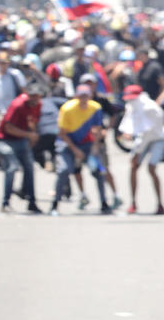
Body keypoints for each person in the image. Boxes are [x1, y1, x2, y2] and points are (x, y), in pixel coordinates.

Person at [49, 85, 111, 216]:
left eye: (86, 96)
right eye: (81, 96)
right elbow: (62, 133)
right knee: (63, 170)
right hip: (67, 144)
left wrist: (95, 146)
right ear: (76, 96)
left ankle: (104, 203)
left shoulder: (95, 108)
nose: (84, 99)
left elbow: (98, 128)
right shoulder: (67, 109)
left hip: (87, 144)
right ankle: (54, 205)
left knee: (99, 171)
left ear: (90, 96)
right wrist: (75, 150)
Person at [0, 83, 45, 213]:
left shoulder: (38, 105)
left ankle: (32, 202)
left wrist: (32, 137)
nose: (35, 99)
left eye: (37, 96)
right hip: (6, 140)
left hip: (22, 140)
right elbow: (8, 127)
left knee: (30, 168)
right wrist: (28, 134)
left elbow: (34, 121)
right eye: (33, 96)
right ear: (28, 95)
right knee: (12, 167)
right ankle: (5, 202)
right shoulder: (18, 105)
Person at [119, 84, 164, 214]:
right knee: (133, 167)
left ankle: (160, 204)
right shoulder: (132, 105)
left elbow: (148, 133)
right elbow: (131, 122)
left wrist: (137, 152)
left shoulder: (150, 108)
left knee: (151, 168)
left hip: (156, 138)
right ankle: (133, 203)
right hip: (143, 138)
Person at [80, 73, 123, 210]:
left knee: (103, 169)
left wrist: (106, 130)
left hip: (98, 140)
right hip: (81, 140)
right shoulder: (76, 101)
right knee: (75, 170)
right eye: (86, 83)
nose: (89, 86)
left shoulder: (101, 101)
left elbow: (113, 114)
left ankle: (114, 196)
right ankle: (83, 196)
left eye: (91, 83)